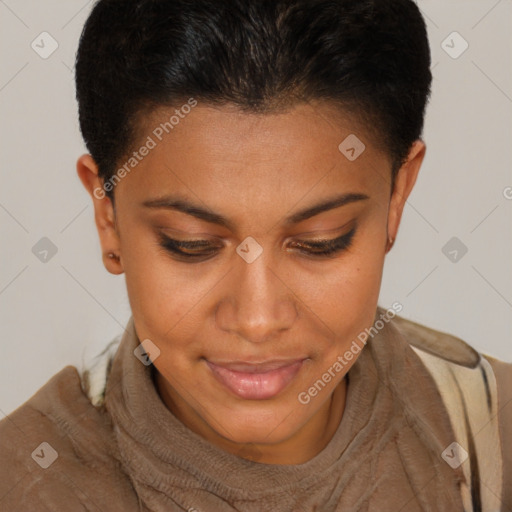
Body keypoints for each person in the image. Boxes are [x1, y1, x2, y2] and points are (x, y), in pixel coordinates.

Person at [0, 0, 510, 510]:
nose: (258, 320)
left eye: (321, 240)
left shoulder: (491, 434)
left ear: (397, 196)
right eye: (190, 244)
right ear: (107, 215)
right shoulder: (23, 481)